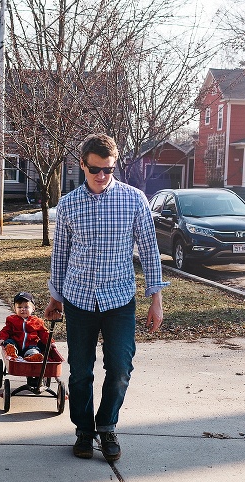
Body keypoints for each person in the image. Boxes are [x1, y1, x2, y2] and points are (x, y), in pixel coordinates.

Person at [44, 133, 168, 462]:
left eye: (109, 170)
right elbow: (60, 256)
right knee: (81, 371)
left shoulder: (134, 200)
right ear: (82, 165)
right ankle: (84, 431)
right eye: (95, 169)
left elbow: (150, 251)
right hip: (79, 299)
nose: (102, 176)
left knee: (121, 367)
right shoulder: (68, 204)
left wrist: (156, 298)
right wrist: (55, 297)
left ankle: (107, 425)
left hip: (119, 299)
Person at [0, 292, 51, 362]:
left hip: (30, 345)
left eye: (26, 307)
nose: (23, 309)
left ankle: (32, 356)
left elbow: (44, 333)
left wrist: (50, 342)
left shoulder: (36, 321)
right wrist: (2, 338)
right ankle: (12, 352)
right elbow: (6, 330)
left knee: (34, 349)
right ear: (15, 309)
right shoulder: (12, 320)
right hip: (16, 344)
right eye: (19, 307)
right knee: (9, 342)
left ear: (33, 308)